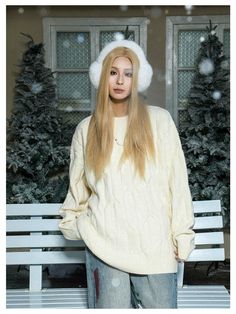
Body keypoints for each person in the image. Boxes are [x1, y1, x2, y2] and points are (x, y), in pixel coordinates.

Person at [58, 39, 195, 309]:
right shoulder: (86, 130)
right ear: (102, 77)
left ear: (137, 80)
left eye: (128, 73)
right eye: (113, 72)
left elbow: (177, 183)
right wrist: (80, 227)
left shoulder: (160, 121)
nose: (120, 80)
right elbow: (78, 191)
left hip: (155, 247)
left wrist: (182, 234)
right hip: (104, 247)